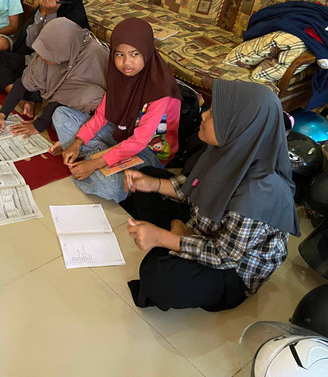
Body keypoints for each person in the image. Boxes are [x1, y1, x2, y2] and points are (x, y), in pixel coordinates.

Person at [123, 80, 300, 311]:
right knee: (146, 176)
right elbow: (196, 187)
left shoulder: (259, 196)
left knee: (160, 277)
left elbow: (223, 256)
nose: (204, 116)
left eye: (214, 114)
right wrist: (153, 184)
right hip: (206, 223)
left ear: (238, 127)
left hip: (231, 269)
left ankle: (175, 236)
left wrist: (161, 238)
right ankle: (178, 234)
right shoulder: (232, 151)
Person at [50, 18, 182, 203]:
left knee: (113, 188)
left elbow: (138, 142)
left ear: (146, 51)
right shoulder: (119, 76)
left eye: (134, 54)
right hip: (120, 132)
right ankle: (96, 158)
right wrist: (77, 142)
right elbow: (101, 116)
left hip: (148, 151)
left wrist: (95, 163)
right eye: (119, 54)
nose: (126, 62)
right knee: (61, 115)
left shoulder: (161, 90)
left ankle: (94, 161)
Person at [0, 18, 107, 138]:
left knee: (61, 117)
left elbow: (64, 95)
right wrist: (2, 115)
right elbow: (22, 83)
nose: (42, 57)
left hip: (85, 101)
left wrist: (39, 124)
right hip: (54, 92)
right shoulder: (52, 52)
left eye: (47, 54)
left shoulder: (93, 55)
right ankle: (37, 104)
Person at [0, 0, 89, 94]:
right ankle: (17, 94)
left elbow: (51, 53)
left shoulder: (75, 19)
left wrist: (52, 15)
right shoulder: (43, 8)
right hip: (33, 62)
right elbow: (29, 44)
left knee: (54, 90)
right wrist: (42, 13)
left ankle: (20, 94)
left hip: (54, 72)